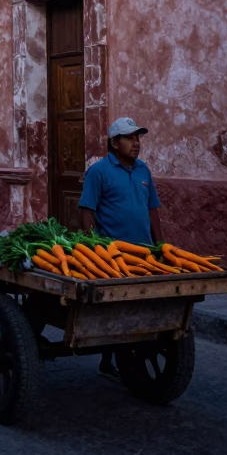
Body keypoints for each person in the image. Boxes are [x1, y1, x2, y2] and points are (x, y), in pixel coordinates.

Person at [78, 116, 163, 379]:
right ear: (115, 143)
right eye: (130, 138)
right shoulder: (99, 172)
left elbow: (152, 210)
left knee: (141, 305)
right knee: (114, 307)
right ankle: (108, 359)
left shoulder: (143, 171)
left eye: (138, 138)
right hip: (114, 256)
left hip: (144, 254)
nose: (136, 143)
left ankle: (126, 355)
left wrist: (160, 246)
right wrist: (94, 248)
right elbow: (86, 211)